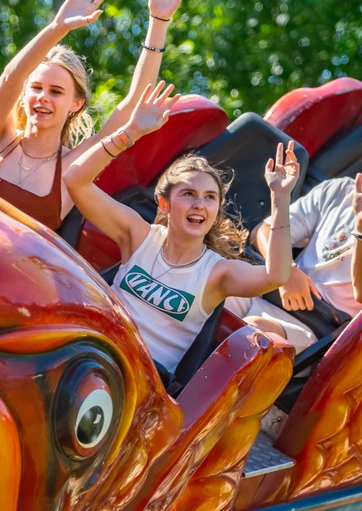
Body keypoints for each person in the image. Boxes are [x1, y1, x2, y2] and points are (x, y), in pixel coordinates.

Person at [63, 81, 299, 376]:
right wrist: (131, 132)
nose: (200, 204)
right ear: (164, 203)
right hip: (90, 347)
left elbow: (276, 275)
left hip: (140, 379)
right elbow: (75, 180)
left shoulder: (217, 273)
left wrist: (280, 197)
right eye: (189, 194)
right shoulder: (139, 236)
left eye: (210, 198)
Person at [0, 0, 194, 230]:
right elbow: (10, 77)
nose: (43, 96)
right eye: (36, 88)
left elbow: (133, 103)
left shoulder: (73, 165)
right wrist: (58, 28)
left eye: (56, 92)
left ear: (75, 104)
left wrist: (159, 21)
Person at [227, 92, 362, 353]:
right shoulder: (338, 191)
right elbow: (263, 232)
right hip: (275, 292)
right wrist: (286, 269)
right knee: (210, 290)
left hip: (318, 334)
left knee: (255, 332)